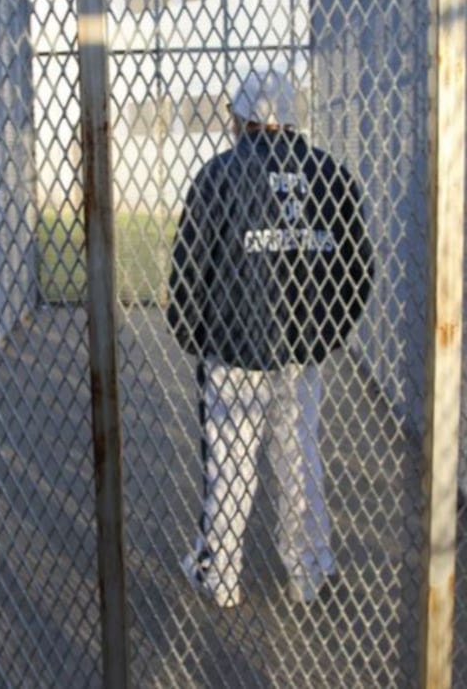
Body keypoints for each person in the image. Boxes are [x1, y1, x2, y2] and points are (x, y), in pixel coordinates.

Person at [167, 69, 374, 608]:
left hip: (236, 348)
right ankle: (308, 568)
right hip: (301, 351)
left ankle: (221, 575)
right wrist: (325, 336)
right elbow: (358, 270)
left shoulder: (219, 175)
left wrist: (198, 337)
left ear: (245, 119)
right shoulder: (331, 175)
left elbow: (189, 269)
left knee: (230, 465)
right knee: (299, 457)